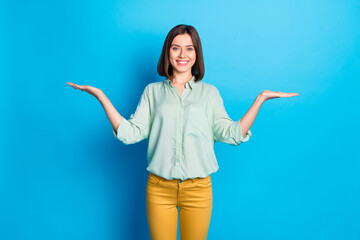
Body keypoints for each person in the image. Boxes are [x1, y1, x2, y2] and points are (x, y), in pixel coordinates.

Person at [67, 24, 299, 240]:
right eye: (176, 48)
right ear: (167, 52)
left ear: (196, 54)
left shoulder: (209, 94)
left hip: (198, 189)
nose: (182, 55)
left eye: (189, 49)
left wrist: (260, 99)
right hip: (159, 189)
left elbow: (231, 134)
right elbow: (131, 133)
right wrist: (101, 96)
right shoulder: (152, 92)